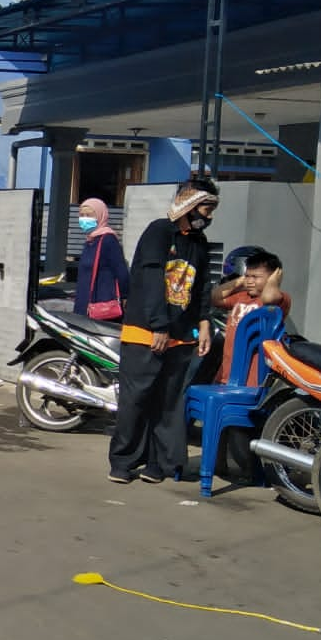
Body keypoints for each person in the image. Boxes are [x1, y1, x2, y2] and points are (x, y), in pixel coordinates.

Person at [108, 180, 219, 484]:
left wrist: (204, 322)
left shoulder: (199, 242)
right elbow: (150, 278)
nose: (209, 215)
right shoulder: (159, 231)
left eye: (212, 210)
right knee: (135, 400)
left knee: (168, 404)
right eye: (206, 208)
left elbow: (202, 285)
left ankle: (158, 464)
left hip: (181, 336)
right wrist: (159, 325)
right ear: (188, 203)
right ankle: (123, 461)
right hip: (145, 332)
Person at [212, 249, 290, 385]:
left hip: (252, 377)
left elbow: (268, 298)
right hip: (228, 372)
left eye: (255, 277)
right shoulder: (241, 297)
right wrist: (240, 281)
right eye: (247, 276)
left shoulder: (281, 299)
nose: (249, 281)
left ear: (273, 277)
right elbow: (214, 297)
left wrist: (274, 281)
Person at [74, 198, 130, 319]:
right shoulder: (90, 241)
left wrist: (126, 297)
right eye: (81, 215)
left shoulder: (108, 240)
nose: (84, 219)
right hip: (83, 307)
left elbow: (121, 272)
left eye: (89, 215)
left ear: (100, 216)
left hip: (101, 308)